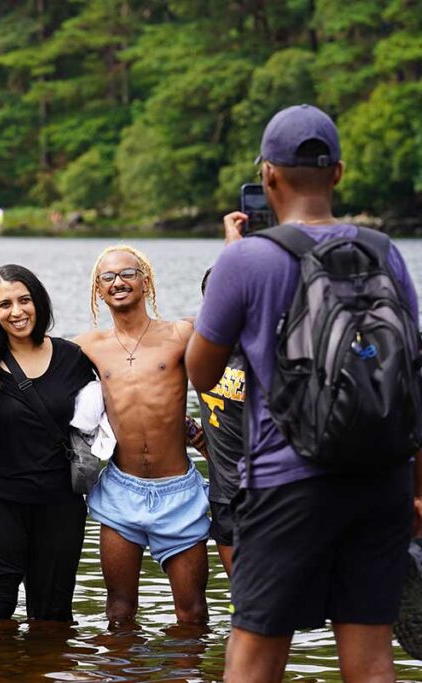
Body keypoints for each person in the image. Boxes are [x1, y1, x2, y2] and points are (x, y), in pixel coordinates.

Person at [186, 104, 422, 682]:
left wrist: (232, 263)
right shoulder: (384, 251)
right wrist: (416, 490)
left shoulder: (247, 259)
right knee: (370, 659)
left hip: (286, 481)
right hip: (382, 479)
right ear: (337, 173)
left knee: (255, 655)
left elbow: (202, 374)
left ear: (268, 175)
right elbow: (413, 371)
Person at [0, 264, 96, 626]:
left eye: (24, 300)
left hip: (59, 503)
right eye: (5, 305)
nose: (16, 312)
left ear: (38, 302)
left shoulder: (72, 357)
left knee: (52, 616)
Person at [73, 246, 209, 626]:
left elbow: (235, 321)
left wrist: (204, 433)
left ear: (146, 281)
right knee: (118, 612)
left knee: (193, 613)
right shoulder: (87, 346)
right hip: (120, 491)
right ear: (98, 291)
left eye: (128, 274)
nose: (118, 282)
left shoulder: (182, 333)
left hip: (178, 492)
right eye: (108, 278)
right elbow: (23, 349)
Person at [194, 268, 244, 577]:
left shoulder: (278, 349)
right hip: (225, 495)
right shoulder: (200, 346)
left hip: (275, 494)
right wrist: (194, 435)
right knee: (243, 599)